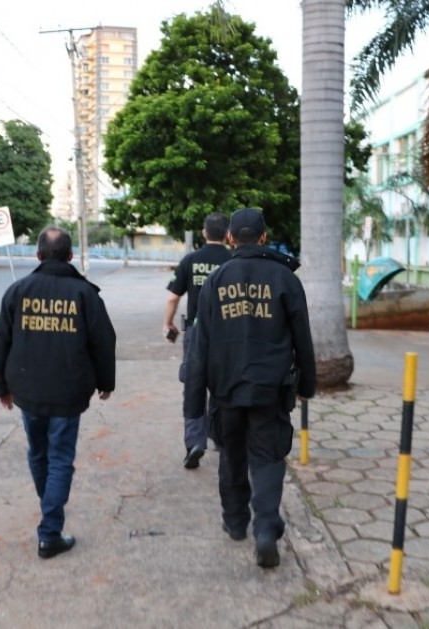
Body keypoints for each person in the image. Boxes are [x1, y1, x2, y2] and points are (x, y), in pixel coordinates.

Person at [183, 208, 316, 568]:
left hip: (225, 390)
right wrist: (308, 383)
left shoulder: (215, 281)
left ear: (230, 238)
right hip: (270, 389)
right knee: (268, 457)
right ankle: (266, 528)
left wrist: (193, 404)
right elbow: (302, 338)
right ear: (263, 236)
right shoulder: (285, 279)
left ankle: (236, 521)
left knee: (231, 454)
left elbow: (200, 345)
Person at [0, 226, 116, 559]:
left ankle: (50, 512)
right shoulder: (84, 294)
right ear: (70, 256)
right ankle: (49, 531)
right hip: (67, 391)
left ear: (38, 255)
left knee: (38, 452)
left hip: (28, 390)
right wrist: (106, 382)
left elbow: (1, 341)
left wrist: (1, 387)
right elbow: (104, 341)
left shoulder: (18, 290)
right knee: (59, 458)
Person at [163, 212, 231, 470]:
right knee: (222, 384)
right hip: (226, 334)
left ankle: (195, 442)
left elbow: (173, 297)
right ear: (227, 235)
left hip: (196, 332)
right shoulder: (232, 261)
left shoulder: (191, 260)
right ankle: (221, 437)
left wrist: (167, 324)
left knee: (194, 385)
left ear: (204, 233)